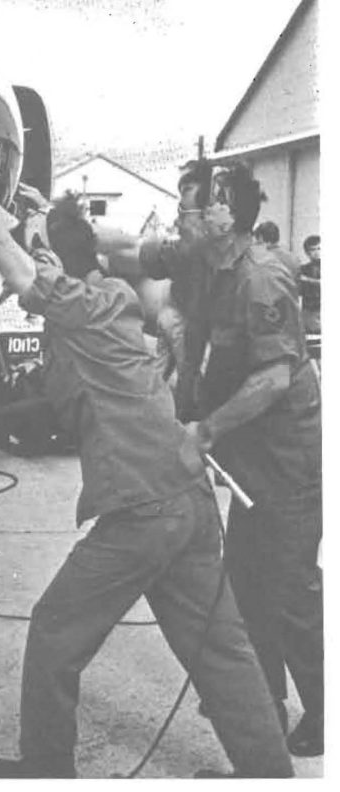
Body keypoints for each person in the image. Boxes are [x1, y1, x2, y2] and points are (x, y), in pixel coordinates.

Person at [0, 123, 293, 779]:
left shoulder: (73, 303)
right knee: (220, 647)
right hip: (185, 504)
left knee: (55, 630)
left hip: (142, 510)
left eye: (38, 252)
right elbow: (17, 232)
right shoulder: (105, 295)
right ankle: (267, 774)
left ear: (52, 261)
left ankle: (47, 767)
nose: (27, 261)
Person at [108, 161, 323, 759]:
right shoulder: (204, 263)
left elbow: (275, 378)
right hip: (247, 455)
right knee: (250, 587)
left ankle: (325, 712)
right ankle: (266, 715)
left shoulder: (262, 278)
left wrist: (205, 429)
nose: (180, 218)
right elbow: (136, 257)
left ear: (223, 216)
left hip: (284, 459)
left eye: (189, 208)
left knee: (291, 592)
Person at [299, 234, 321, 336]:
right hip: (309, 313)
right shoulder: (303, 269)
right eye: (313, 250)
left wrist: (307, 280)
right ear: (307, 253)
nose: (317, 252)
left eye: (319, 248)